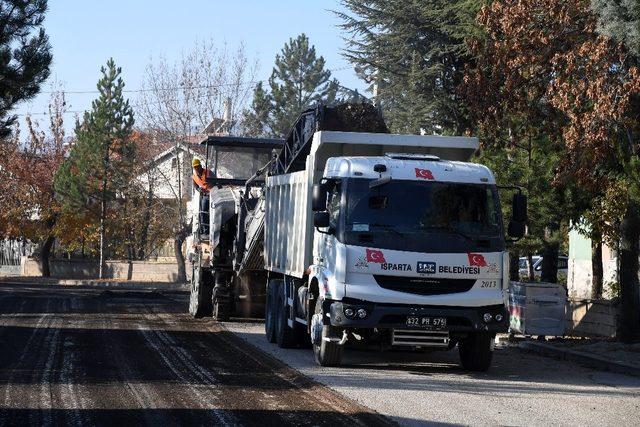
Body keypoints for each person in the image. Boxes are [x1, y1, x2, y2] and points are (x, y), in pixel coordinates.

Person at [192, 158, 212, 235]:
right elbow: (196, 187)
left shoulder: (208, 172)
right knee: (203, 213)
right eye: (195, 167)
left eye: (197, 166)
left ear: (200, 165)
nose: (197, 168)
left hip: (213, 194)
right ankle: (205, 231)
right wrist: (200, 190)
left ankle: (208, 230)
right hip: (204, 195)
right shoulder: (194, 177)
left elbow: (217, 182)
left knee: (206, 212)